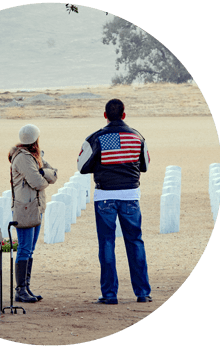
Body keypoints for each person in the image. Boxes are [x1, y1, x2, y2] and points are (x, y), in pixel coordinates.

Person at [77, 99, 152, 304]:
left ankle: (110, 294)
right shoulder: (137, 137)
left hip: (105, 197)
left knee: (107, 243)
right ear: (124, 114)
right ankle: (142, 293)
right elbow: (144, 165)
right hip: (130, 195)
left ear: (105, 115)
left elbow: (82, 166)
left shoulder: (98, 137)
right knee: (135, 241)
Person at [8, 124, 58, 303]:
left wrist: (44, 173)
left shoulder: (35, 157)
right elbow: (39, 182)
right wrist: (44, 174)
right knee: (24, 249)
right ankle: (20, 290)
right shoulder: (23, 158)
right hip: (25, 209)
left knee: (30, 249)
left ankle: (26, 287)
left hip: (35, 208)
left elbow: (53, 174)